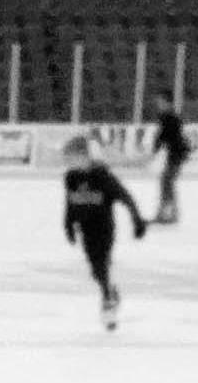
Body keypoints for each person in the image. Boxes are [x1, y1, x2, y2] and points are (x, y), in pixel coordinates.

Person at [60, 132, 148, 329]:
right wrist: (68, 224)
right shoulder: (71, 178)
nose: (67, 162)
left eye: (70, 158)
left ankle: (108, 301)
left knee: (101, 265)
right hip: (85, 230)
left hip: (104, 229)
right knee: (96, 270)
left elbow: (125, 197)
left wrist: (136, 219)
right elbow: (70, 203)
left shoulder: (102, 176)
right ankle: (110, 291)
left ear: (83, 156)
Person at [151, 101, 191, 224]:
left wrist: (156, 146)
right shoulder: (168, 117)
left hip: (177, 154)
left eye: (161, 102)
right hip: (175, 154)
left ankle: (169, 213)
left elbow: (165, 135)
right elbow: (163, 135)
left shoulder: (170, 118)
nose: (159, 104)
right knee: (166, 181)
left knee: (166, 181)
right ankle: (168, 212)